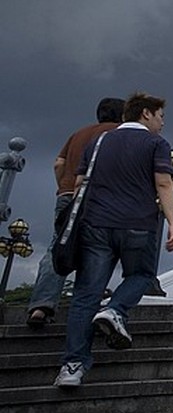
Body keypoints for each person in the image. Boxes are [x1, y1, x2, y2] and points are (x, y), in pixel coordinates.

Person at [54, 92, 173, 388]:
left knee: (86, 294)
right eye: (161, 116)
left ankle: (72, 367)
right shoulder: (156, 143)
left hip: (96, 225)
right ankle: (115, 309)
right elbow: (163, 181)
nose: (162, 123)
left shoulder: (98, 142)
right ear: (146, 114)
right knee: (141, 274)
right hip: (138, 224)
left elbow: (79, 182)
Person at [26, 97, 125, 329]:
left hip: (67, 195)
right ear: (123, 115)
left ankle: (41, 305)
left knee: (58, 246)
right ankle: (86, 304)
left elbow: (58, 164)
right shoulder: (118, 132)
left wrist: (64, 187)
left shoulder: (79, 133)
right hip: (99, 196)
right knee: (97, 250)